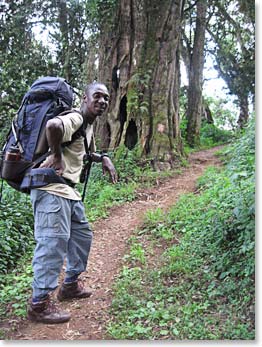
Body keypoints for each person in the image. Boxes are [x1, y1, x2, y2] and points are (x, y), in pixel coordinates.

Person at [27, 82, 117, 324]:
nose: (102, 101)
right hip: (52, 189)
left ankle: (70, 285)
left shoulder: (86, 127)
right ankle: (39, 304)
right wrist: (55, 154)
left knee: (82, 236)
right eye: (97, 96)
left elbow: (85, 153)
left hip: (69, 192)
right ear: (85, 99)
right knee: (53, 243)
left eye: (106, 98)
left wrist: (104, 159)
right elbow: (53, 126)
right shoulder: (75, 118)